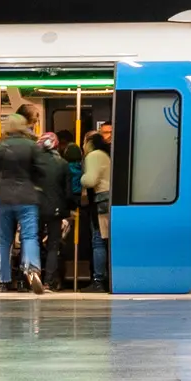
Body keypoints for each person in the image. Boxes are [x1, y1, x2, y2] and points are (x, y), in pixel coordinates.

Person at [0, 107, 49, 291]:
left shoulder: (1, 145)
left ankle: (2, 282)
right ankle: (32, 271)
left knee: (4, 240)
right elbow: (41, 170)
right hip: (27, 198)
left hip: (5, 198)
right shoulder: (32, 145)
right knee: (29, 236)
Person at [79, 118, 112, 287]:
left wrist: (81, 178)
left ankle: (98, 280)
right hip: (107, 200)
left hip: (100, 202)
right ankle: (104, 278)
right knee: (105, 241)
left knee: (98, 241)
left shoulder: (93, 156)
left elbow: (90, 180)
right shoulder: (105, 154)